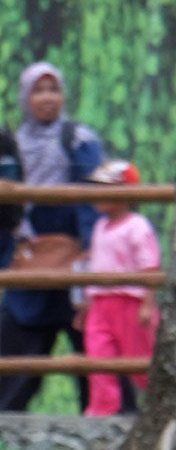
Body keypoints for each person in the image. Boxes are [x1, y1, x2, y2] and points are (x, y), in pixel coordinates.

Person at [0, 62, 105, 412]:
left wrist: (91, 253)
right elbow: (6, 211)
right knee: (18, 361)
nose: (47, 98)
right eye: (38, 90)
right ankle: (1, 440)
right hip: (30, 264)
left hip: (75, 264)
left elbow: (92, 200)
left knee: (96, 359)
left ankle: (108, 435)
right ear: (26, 97)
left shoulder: (79, 141)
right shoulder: (14, 146)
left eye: (53, 89)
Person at [79, 160, 160, 417]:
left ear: (128, 194)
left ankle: (163, 405)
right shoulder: (100, 227)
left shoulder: (137, 226)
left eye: (107, 188)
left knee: (141, 361)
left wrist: (147, 304)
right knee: (99, 357)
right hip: (100, 304)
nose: (99, 195)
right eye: (97, 188)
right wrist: (86, 306)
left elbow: (150, 268)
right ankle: (103, 409)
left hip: (130, 302)